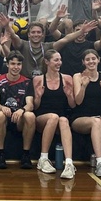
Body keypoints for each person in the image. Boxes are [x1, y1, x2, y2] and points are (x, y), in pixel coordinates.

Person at [32, 49, 77, 178]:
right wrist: (38, 97)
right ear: (47, 62)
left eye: (60, 60)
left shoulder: (67, 78)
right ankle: (43, 159)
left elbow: (73, 105)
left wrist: (69, 95)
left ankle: (69, 163)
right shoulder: (38, 79)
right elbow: (35, 106)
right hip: (42, 118)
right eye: (56, 60)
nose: (59, 63)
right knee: (54, 117)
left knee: (63, 119)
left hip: (61, 118)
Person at [71, 49, 101, 177]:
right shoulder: (78, 76)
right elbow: (78, 102)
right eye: (88, 59)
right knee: (97, 121)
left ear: (98, 60)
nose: (91, 61)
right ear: (83, 62)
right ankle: (99, 162)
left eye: (93, 59)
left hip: (100, 115)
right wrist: (84, 86)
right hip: (80, 118)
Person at [0, 51, 36, 169]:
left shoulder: (27, 82)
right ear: (7, 64)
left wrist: (22, 110)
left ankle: (26, 155)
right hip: (4, 116)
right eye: (13, 64)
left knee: (30, 115)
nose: (16, 67)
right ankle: (0, 154)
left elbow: (30, 104)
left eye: (18, 64)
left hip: (19, 118)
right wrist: (2, 107)